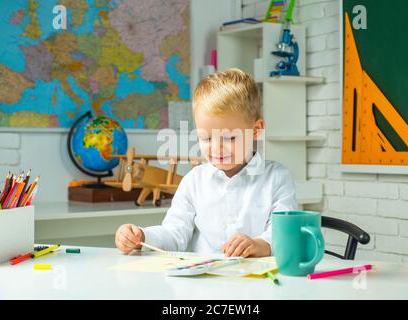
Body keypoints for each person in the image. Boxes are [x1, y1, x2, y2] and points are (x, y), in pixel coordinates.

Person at [115, 68, 297, 257]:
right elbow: (174, 233)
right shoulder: (194, 181)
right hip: (205, 283)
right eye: (206, 138)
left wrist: (260, 245)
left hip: (259, 282)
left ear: (256, 129)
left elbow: (284, 234)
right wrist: (142, 237)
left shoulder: (277, 178)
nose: (217, 148)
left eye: (229, 138)